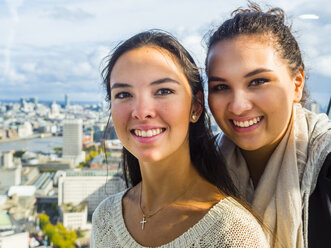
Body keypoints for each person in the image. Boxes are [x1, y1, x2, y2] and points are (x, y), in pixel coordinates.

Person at [90, 30, 268, 248]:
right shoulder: (106, 217)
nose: (141, 111)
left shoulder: (232, 233)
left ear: (196, 106)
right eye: (124, 94)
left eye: (163, 91)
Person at [205, 3, 331, 248]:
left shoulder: (325, 167)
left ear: (297, 84)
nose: (238, 106)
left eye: (258, 81)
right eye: (220, 87)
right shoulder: (201, 169)